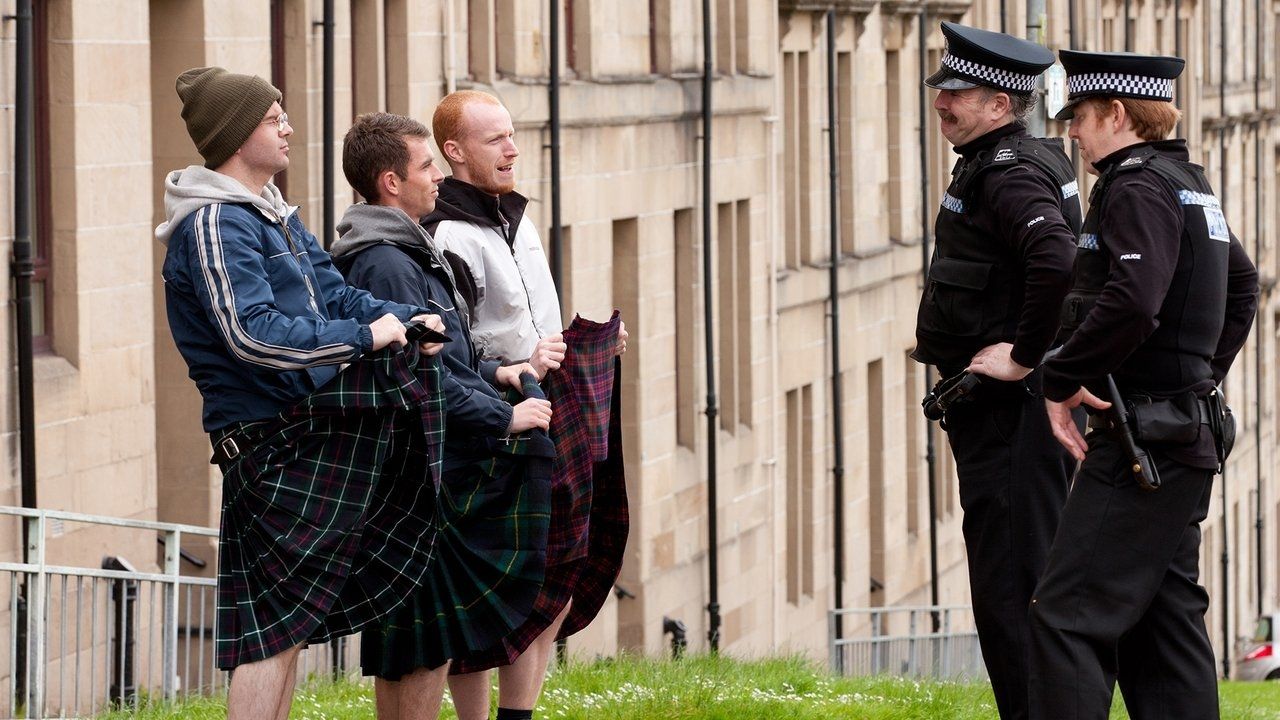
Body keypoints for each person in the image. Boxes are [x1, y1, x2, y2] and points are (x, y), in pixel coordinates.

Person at [154, 67, 447, 720]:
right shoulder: (214, 224)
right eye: (271, 118)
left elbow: (336, 295)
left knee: (283, 633)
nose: (287, 127)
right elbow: (250, 336)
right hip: (266, 439)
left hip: (302, 430)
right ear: (236, 135)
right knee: (271, 632)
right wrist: (364, 337)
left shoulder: (272, 213)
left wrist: (407, 320)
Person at [1029, 50, 1258, 720]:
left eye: (1079, 116)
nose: (1072, 132)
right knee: (1163, 624)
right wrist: (1196, 378)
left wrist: (1060, 376)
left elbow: (1133, 302)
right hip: (1182, 433)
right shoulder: (1186, 181)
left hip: (1142, 443)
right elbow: (1242, 286)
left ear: (1116, 113)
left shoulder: (1134, 186)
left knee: (1066, 616)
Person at [331, 111, 559, 720]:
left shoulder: (407, 250)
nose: (437, 177)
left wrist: (496, 373)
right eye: (426, 165)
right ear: (391, 183)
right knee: (419, 643)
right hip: (417, 470)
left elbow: (446, 356)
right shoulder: (386, 262)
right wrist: (502, 419)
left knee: (419, 642)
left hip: (428, 461)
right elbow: (417, 373)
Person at [425, 89, 628, 720]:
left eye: (511, 134)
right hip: (494, 422)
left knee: (559, 577)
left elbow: (534, 318)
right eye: (495, 139)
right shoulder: (448, 235)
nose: (512, 149)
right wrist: (520, 369)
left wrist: (588, 344)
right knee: (498, 592)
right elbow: (456, 345)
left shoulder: (518, 218)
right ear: (455, 151)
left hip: (551, 408)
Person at [912, 22, 1083, 720]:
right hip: (1005, 416)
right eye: (942, 90)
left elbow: (1056, 260)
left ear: (1001, 104)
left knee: (1012, 585)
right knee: (1016, 577)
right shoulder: (1002, 159)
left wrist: (1021, 356)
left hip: (1011, 418)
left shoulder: (1009, 172)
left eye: (956, 93)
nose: (941, 103)